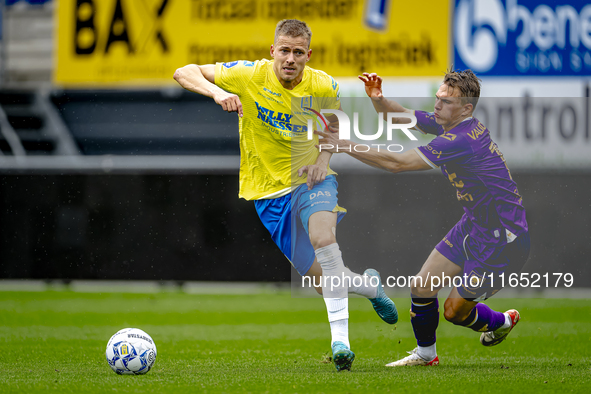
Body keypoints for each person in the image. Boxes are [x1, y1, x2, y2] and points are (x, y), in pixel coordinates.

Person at [173, 19, 398, 371]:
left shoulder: (323, 85)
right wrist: (218, 93)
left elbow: (333, 125)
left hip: (311, 180)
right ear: (272, 51)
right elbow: (183, 71)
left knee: (324, 239)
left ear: (308, 55)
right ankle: (369, 287)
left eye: (297, 52)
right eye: (284, 50)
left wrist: (324, 158)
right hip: (267, 193)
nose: (290, 58)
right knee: (326, 283)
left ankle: (341, 344)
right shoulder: (248, 75)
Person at [315, 70, 530, 366]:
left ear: (466, 108)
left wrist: (343, 145)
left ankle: (502, 322)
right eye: (438, 98)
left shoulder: (462, 138)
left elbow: (397, 163)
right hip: (475, 224)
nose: (438, 105)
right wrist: (378, 99)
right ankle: (426, 355)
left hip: (503, 238)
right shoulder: (450, 123)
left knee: (454, 312)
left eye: (447, 101)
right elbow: (400, 115)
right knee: (422, 286)